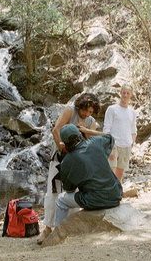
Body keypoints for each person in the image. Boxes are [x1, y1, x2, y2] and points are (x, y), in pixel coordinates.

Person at [37, 93, 103, 244]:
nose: (87, 114)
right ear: (80, 106)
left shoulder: (91, 122)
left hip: (77, 163)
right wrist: (63, 148)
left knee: (74, 193)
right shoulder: (69, 111)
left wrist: (85, 131)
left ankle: (67, 229)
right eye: (86, 110)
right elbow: (56, 131)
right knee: (53, 193)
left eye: (91, 112)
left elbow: (90, 144)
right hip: (59, 157)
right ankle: (47, 229)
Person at [53, 124, 123, 227]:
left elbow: (69, 189)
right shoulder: (96, 142)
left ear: (64, 144)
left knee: (60, 200)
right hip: (115, 195)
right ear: (80, 134)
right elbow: (110, 137)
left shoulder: (68, 160)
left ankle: (57, 232)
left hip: (95, 200)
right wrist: (88, 131)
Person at [103, 84, 137, 182]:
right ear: (120, 93)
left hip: (126, 145)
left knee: (120, 175)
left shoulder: (132, 112)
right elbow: (106, 129)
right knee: (111, 173)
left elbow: (133, 129)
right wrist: (109, 147)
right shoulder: (112, 109)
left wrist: (132, 144)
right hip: (114, 144)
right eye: (123, 93)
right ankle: (108, 196)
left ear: (131, 95)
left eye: (128, 93)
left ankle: (117, 195)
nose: (125, 95)